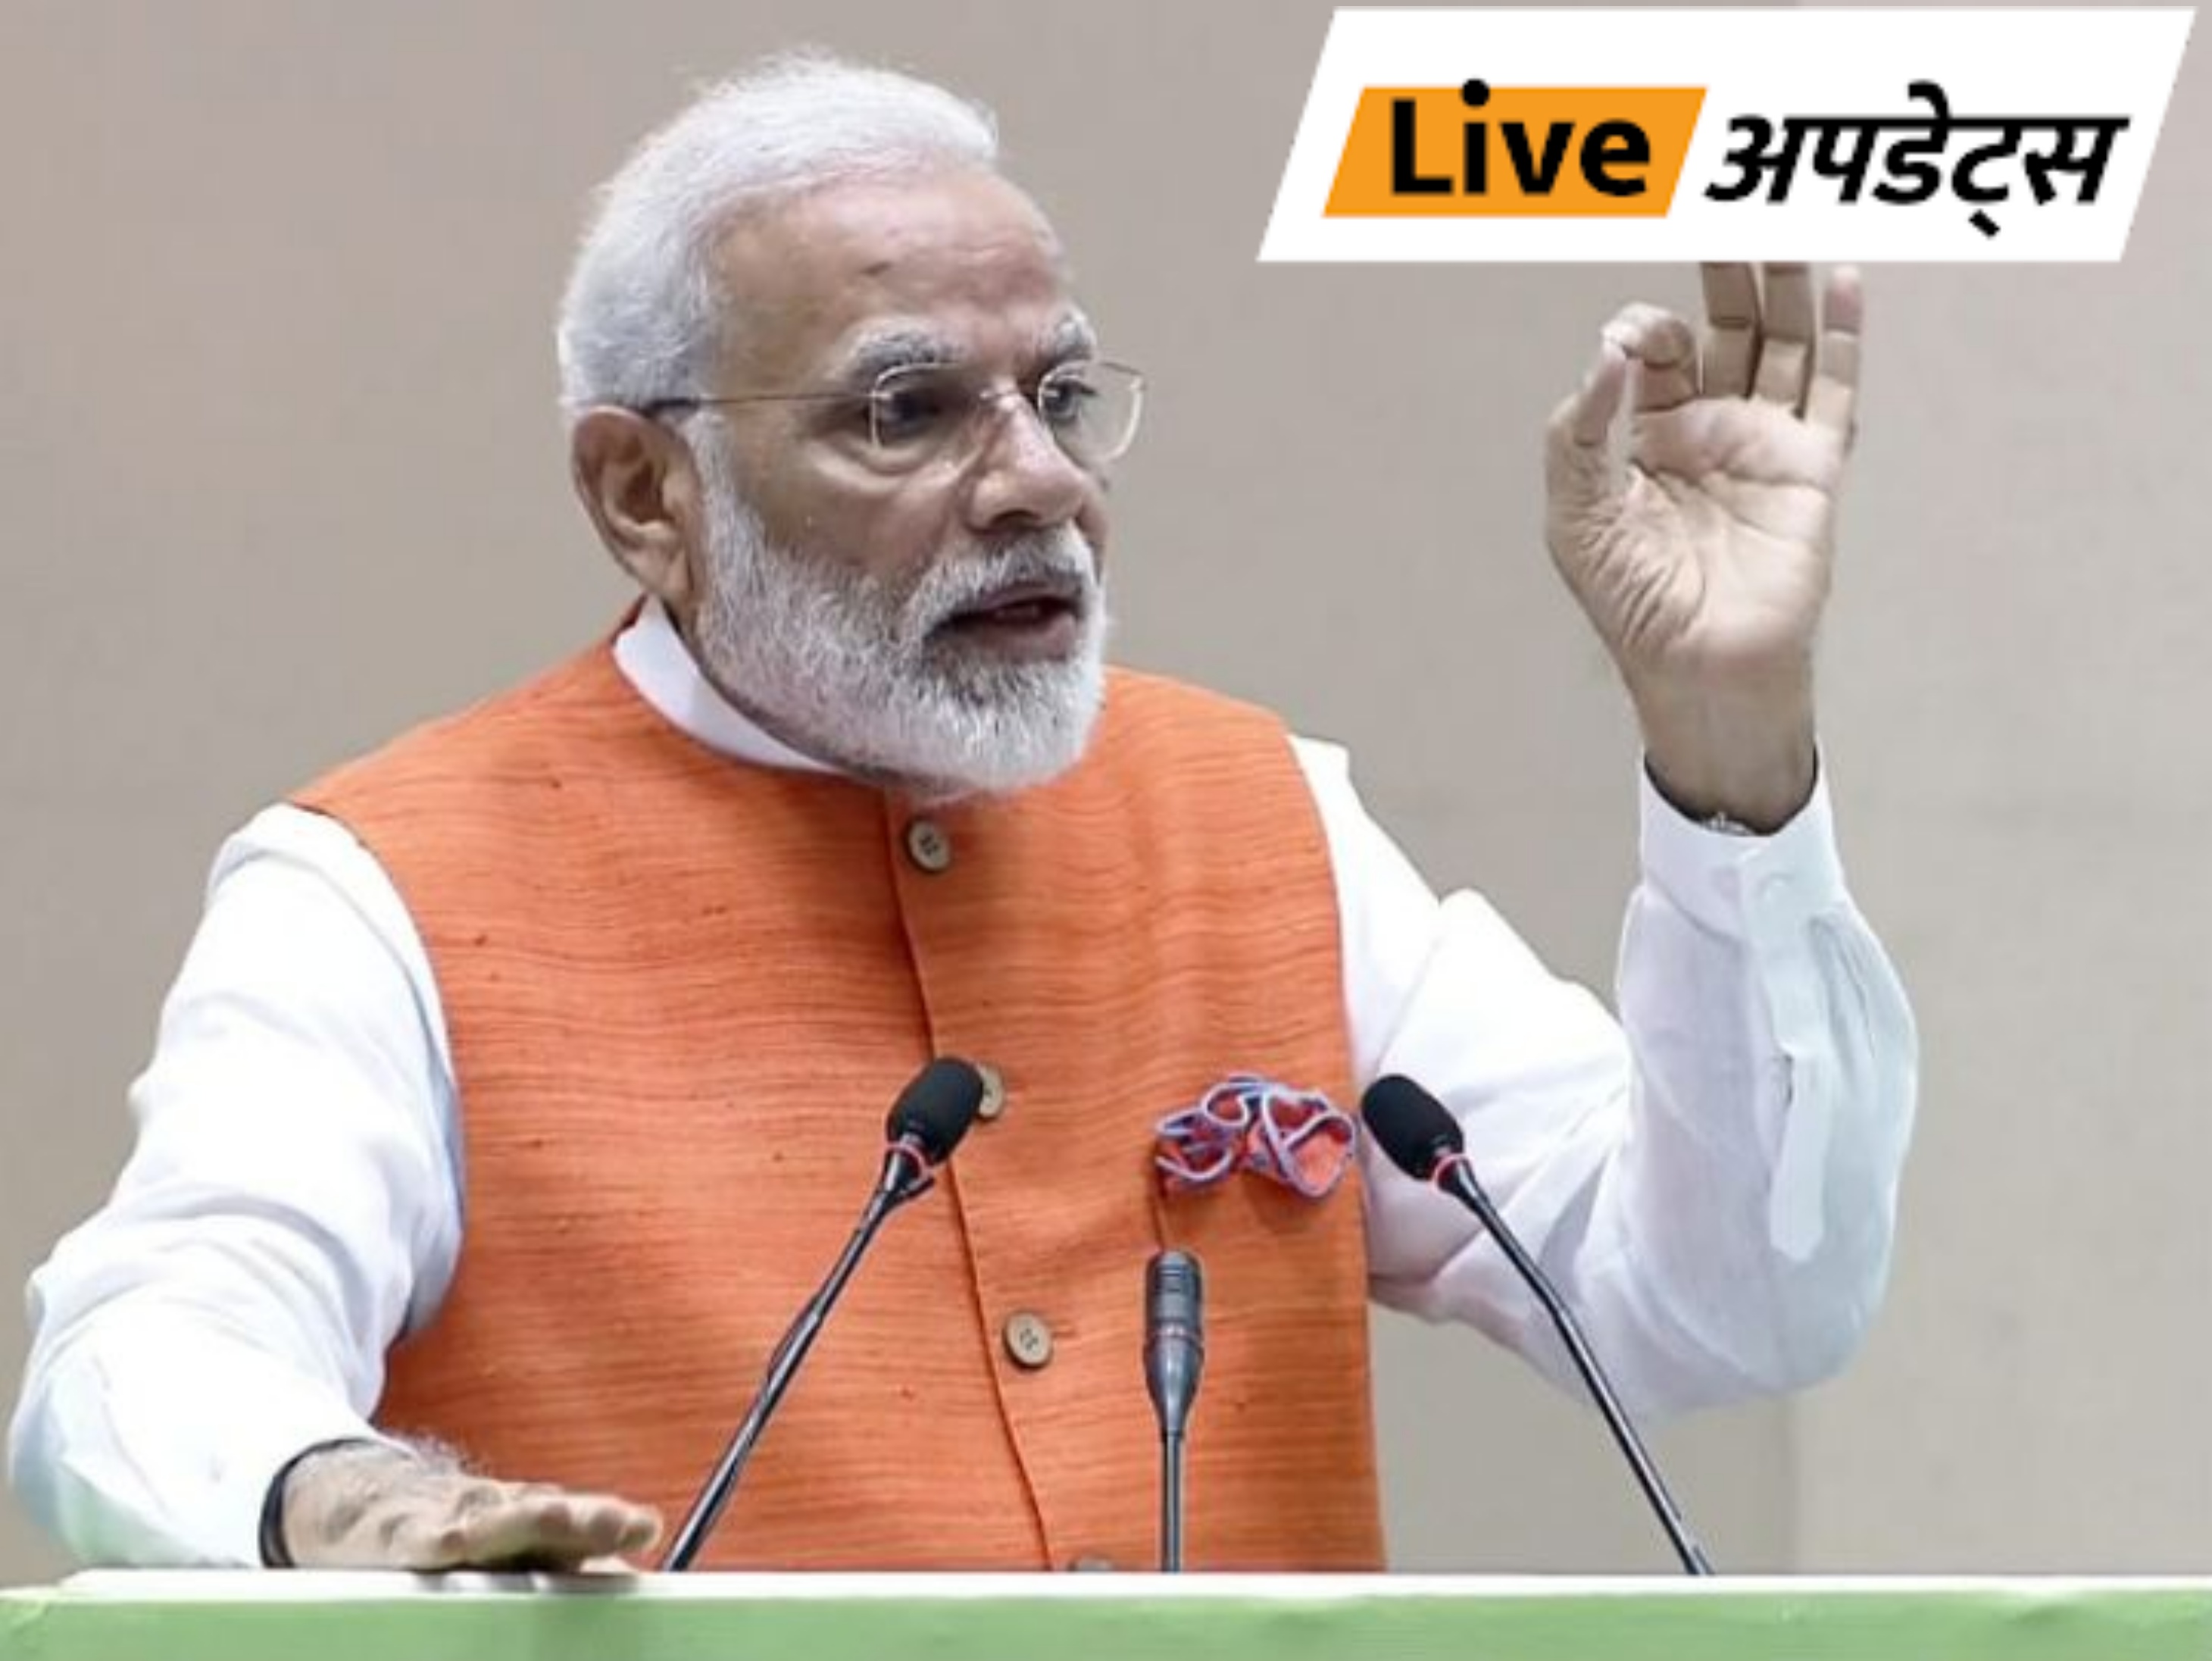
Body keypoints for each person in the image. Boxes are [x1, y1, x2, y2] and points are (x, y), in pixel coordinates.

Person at [8, 52, 1915, 1574]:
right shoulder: (382, 887)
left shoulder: (1258, 815)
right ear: (643, 493)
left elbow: (1728, 1306)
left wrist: (1726, 740)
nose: (1038, 484)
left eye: (1060, 395)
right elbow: (148, 1337)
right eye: (907, 411)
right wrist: (341, 1494)